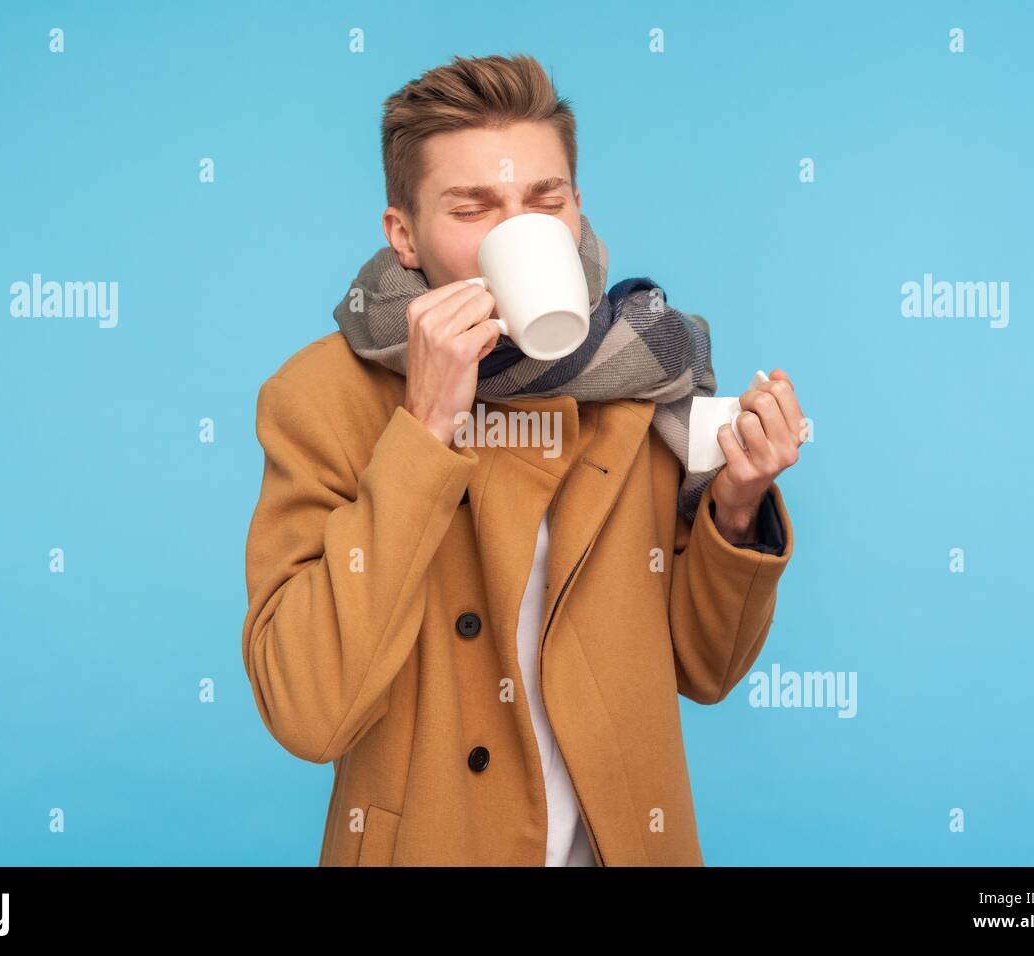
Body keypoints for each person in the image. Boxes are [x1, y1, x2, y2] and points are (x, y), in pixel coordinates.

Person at [241, 53, 805, 866]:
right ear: (404, 236)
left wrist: (736, 506)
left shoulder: (645, 373)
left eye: (544, 203)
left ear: (577, 210)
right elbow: (307, 710)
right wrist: (424, 432)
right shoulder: (320, 396)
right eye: (473, 209)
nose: (519, 233)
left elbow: (703, 669)